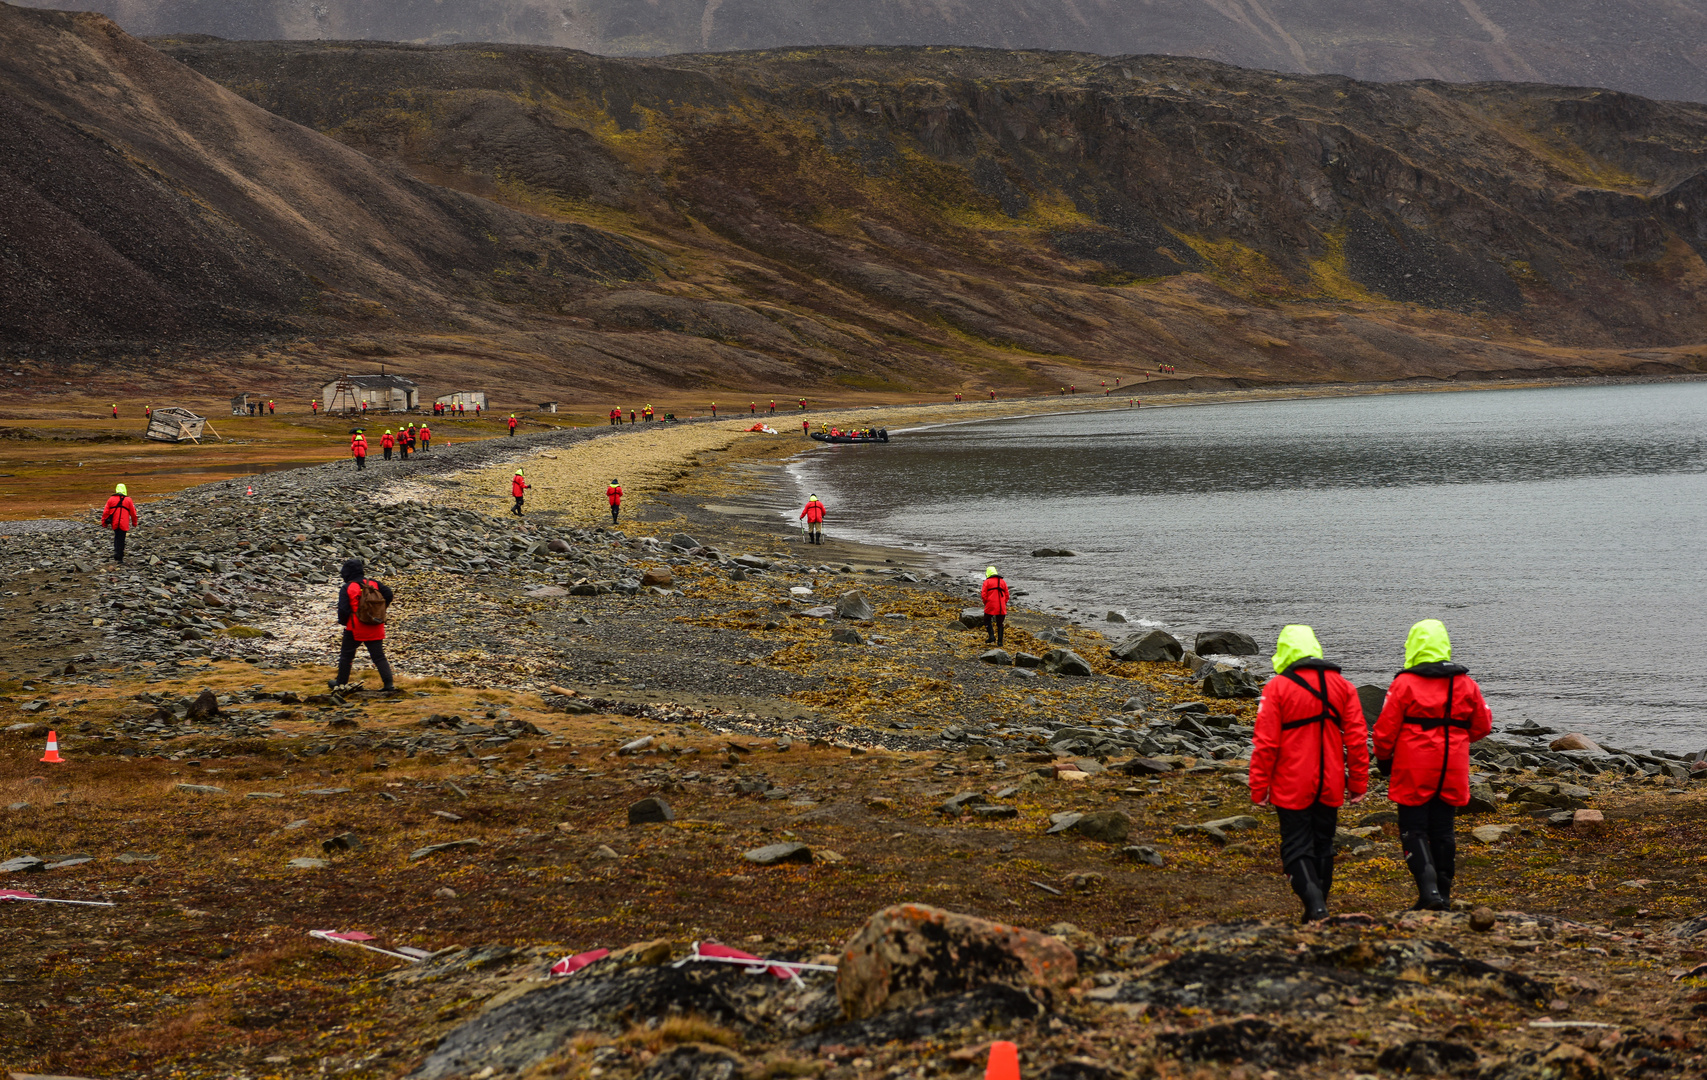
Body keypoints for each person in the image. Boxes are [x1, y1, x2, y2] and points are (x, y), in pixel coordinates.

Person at [1249, 625, 1369, 922]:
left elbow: (1265, 743)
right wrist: (1358, 782)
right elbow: (1356, 738)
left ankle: (1315, 907)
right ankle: (1318, 909)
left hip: (1292, 783)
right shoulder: (1343, 686)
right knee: (1323, 845)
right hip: (1330, 781)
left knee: (1295, 847)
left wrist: (1258, 787)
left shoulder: (1277, 687)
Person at [1373, 619, 1493, 911]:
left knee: (1413, 829)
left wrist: (1385, 760)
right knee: (1443, 829)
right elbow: (1483, 725)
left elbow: (1384, 731)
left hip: (1414, 765)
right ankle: (1445, 894)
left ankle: (1429, 893)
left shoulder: (1404, 683)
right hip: (1452, 765)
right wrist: (1457, 739)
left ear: (1413, 646)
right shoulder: (1465, 683)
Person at [332, 558, 395, 693]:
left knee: (347, 656)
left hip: (355, 627)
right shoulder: (373, 584)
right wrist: (380, 611)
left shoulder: (348, 587)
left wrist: (344, 621)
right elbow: (389, 594)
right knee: (379, 656)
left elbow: (343, 609)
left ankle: (340, 683)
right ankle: (389, 684)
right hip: (375, 625)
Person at [101, 483, 138, 563]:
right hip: (124, 523)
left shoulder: (111, 499)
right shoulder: (128, 500)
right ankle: (120, 557)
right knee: (121, 539)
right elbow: (133, 513)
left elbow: (106, 512)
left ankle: (116, 552)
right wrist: (134, 523)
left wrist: (104, 523)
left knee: (116, 537)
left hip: (114, 522)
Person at [980, 566, 1009, 646]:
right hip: (1001, 606)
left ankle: (991, 636)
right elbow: (1007, 595)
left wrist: (986, 603)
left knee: (987, 619)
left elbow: (983, 595)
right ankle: (1000, 642)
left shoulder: (987, 582)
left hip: (991, 604)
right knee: (1000, 623)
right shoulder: (1003, 581)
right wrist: (1004, 603)